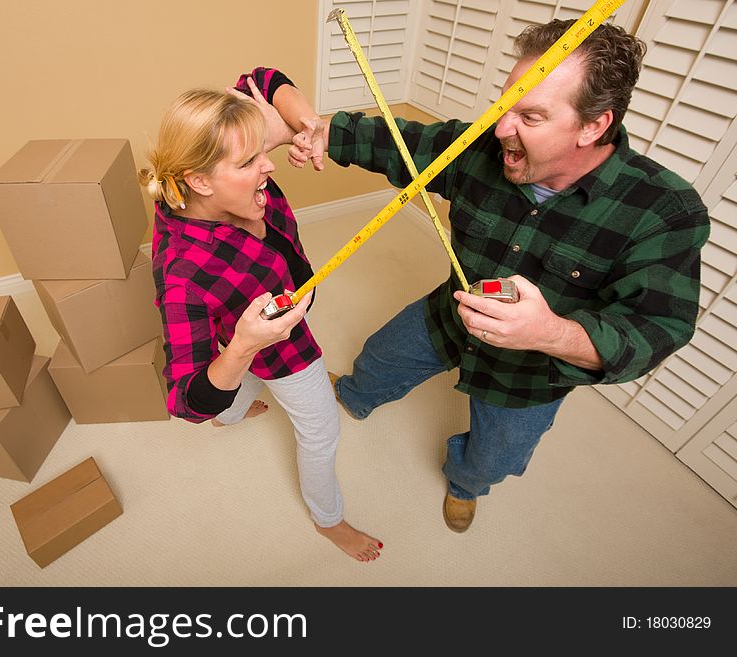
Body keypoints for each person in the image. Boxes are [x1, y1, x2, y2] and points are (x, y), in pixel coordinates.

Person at [288, 19, 710, 532]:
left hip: (530, 377)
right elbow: (402, 142)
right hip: (451, 314)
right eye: (503, 104)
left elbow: (656, 329)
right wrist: (321, 132)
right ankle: (356, 396)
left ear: (594, 125)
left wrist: (549, 332)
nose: (501, 128)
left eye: (530, 116)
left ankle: (465, 485)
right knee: (379, 356)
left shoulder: (664, 210)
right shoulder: (487, 147)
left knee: (495, 458)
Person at [140, 68, 383, 561]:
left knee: (233, 393)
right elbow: (186, 401)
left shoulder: (215, 173)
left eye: (262, 151)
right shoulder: (183, 275)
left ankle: (231, 414)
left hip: (266, 314)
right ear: (199, 181)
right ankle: (328, 520)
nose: (269, 166)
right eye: (250, 161)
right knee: (320, 431)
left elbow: (262, 78)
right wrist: (246, 345)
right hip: (278, 346)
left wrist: (307, 122)